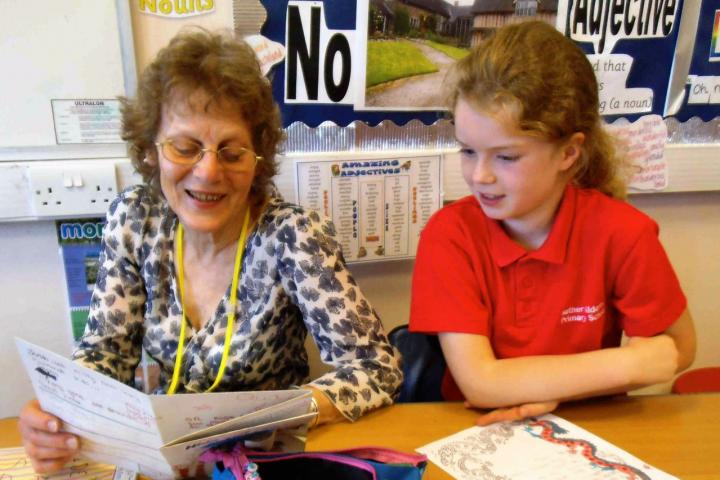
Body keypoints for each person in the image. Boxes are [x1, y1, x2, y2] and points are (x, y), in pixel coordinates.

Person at [19, 29, 402, 473]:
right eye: (185, 148)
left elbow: (377, 368)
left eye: (232, 151)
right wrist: (63, 413)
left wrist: (276, 416)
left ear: (257, 158)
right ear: (150, 152)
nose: (208, 171)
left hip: (262, 461)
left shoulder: (293, 235)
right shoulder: (134, 221)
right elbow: (106, 354)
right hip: (164, 459)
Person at [409, 21, 696, 425]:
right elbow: (481, 383)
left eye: (506, 157)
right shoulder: (449, 234)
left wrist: (544, 390)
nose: (479, 176)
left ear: (569, 153)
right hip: (477, 431)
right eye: (468, 151)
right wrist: (633, 363)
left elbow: (679, 349)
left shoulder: (623, 232)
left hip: (595, 428)